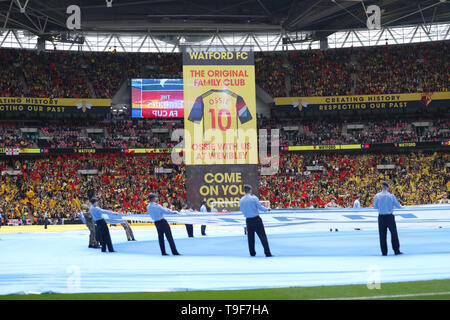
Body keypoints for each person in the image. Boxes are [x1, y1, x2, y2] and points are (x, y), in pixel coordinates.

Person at [239, 184, 272, 257]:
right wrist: (267, 209)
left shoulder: (241, 200)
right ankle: (267, 252)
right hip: (256, 219)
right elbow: (260, 207)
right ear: (250, 190)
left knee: (250, 238)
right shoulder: (254, 198)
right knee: (262, 236)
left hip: (248, 220)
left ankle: (252, 253)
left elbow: (242, 210)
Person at [373, 181, 403, 256]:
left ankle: (384, 252)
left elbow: (375, 206)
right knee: (394, 234)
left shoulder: (377, 196)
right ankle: (396, 250)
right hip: (390, 216)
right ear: (387, 187)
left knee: (382, 235)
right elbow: (398, 206)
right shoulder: (391, 196)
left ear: (381, 187)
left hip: (381, 217)